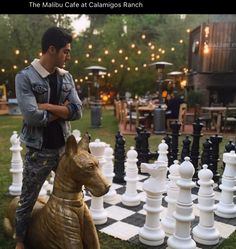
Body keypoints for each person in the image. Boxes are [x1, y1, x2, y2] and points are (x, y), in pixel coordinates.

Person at [14, 26, 82, 249]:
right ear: (51, 49)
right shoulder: (25, 77)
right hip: (38, 150)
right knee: (28, 199)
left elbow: (78, 111)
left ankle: (72, 230)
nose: (68, 56)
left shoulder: (66, 77)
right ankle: (20, 240)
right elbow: (32, 116)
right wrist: (62, 110)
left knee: (73, 195)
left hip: (64, 148)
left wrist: (48, 107)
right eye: (65, 51)